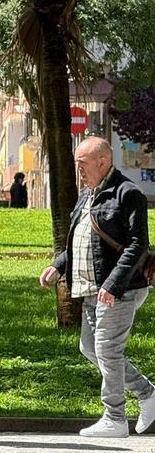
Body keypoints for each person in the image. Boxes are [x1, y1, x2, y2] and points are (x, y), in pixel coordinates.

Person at [40, 137, 155, 437]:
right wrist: (57, 265)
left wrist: (114, 283)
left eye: (82, 164)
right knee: (90, 347)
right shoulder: (87, 195)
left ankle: (114, 417)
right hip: (90, 289)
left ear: (102, 161)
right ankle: (148, 394)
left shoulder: (128, 194)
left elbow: (138, 244)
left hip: (120, 289)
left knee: (106, 348)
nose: (78, 170)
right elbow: (79, 238)